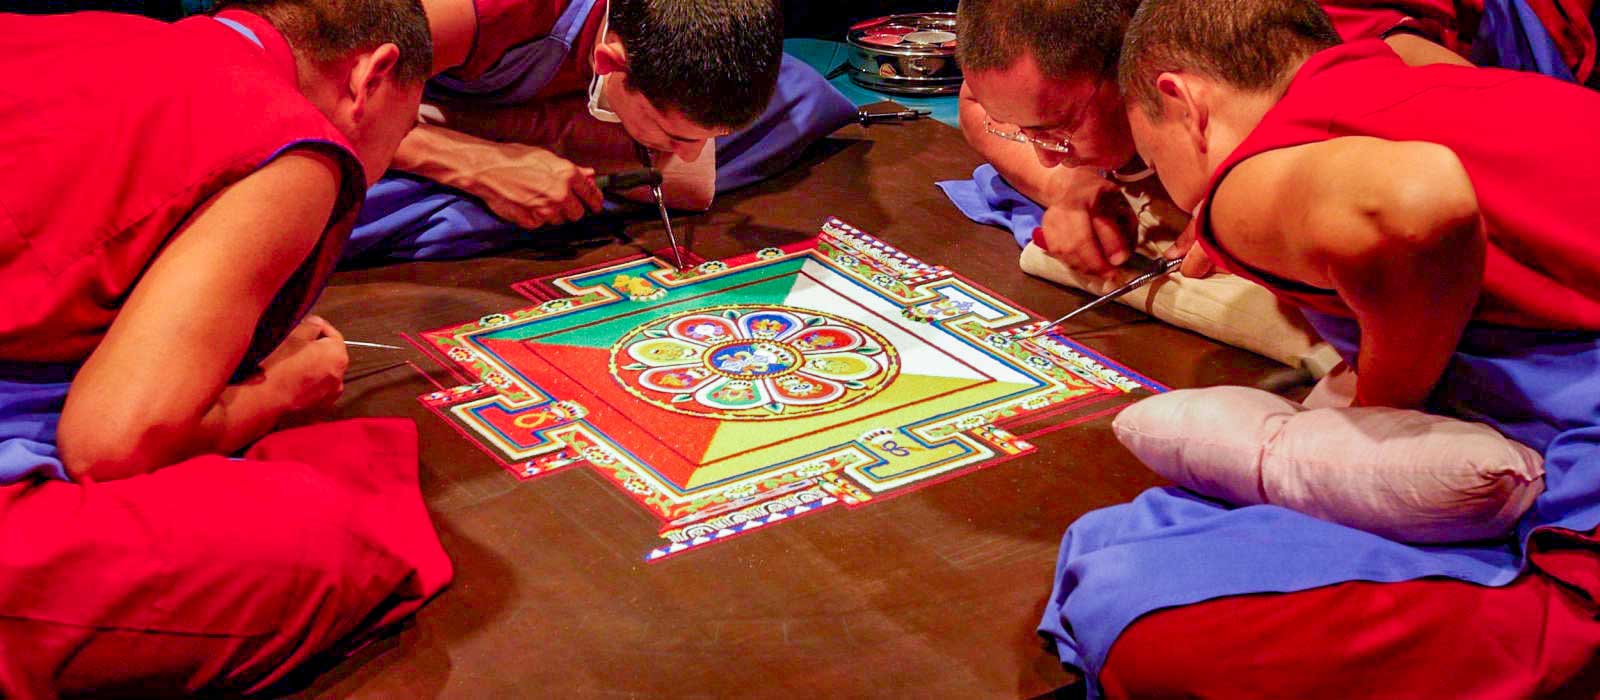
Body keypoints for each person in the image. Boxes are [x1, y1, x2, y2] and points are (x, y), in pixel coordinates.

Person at [1037, 0, 1600, 694]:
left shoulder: (1248, 174)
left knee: (1144, 611)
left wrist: (1383, 407)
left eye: (1150, 158)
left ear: (1183, 102)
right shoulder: (1411, 70)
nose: (1174, 199)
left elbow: (1415, 198)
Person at [0, 1, 451, 694]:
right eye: (407, 121)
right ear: (372, 75)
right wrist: (282, 390)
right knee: (334, 540)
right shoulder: (291, 142)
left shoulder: (80, 29)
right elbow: (111, 444)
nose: (392, 158)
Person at [952, 0, 1590, 280]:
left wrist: (1256, 198)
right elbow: (978, 103)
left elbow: (1467, 125)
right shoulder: (1057, 50)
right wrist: (1066, 180)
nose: (1037, 149)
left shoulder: (1279, 34)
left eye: (1058, 127)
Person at [344, 0, 857, 262]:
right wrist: (478, 164)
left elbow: (693, 184)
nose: (692, 152)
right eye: (677, 134)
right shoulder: (475, 14)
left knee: (798, 96)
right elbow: (323, 103)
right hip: (400, 94)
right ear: (610, 61)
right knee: (339, 198)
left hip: (547, 103)